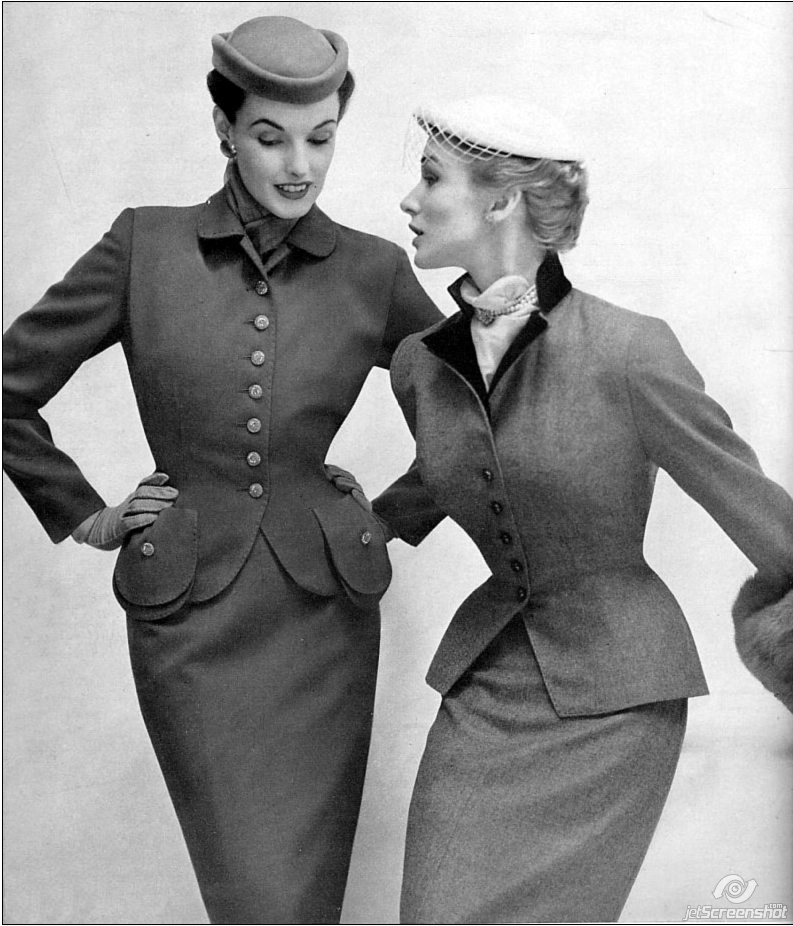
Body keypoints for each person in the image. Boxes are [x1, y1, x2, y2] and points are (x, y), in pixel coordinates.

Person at [2, 16, 441, 925]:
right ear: (223, 129)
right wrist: (84, 513)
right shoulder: (144, 246)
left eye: (321, 138)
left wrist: (393, 514)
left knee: (304, 896)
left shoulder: (373, 269)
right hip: (189, 615)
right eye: (270, 137)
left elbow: (476, 416)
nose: (300, 165)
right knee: (250, 893)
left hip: (324, 620)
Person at [372, 95, 793, 924]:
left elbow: (752, 507)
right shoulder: (419, 365)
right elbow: (440, 475)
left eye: (431, 178)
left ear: (501, 199)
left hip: (618, 697)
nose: (409, 201)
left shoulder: (629, 349)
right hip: (484, 687)